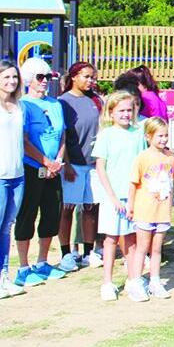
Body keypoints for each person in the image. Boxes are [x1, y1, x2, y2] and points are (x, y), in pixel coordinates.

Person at [14, 57, 69, 287]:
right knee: (27, 214)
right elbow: (24, 140)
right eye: (40, 77)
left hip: (54, 169)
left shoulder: (56, 104)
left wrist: (58, 161)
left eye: (48, 76)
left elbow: (63, 134)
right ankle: (23, 267)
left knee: (51, 213)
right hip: (31, 168)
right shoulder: (23, 105)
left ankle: (43, 262)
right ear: (29, 79)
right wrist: (45, 162)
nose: (45, 81)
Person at [91, 91, 147, 301]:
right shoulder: (106, 134)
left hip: (134, 196)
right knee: (111, 239)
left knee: (132, 239)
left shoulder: (139, 133)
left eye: (129, 110)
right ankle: (107, 282)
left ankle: (133, 279)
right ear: (111, 112)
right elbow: (101, 167)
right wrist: (113, 197)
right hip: (113, 196)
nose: (126, 114)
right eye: (121, 110)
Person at [125, 117, 174, 301]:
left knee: (157, 249)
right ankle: (136, 282)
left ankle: (155, 282)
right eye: (159, 136)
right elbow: (133, 183)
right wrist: (130, 206)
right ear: (148, 136)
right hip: (144, 210)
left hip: (163, 210)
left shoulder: (170, 157)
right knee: (142, 248)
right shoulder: (142, 158)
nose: (163, 139)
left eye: (165, 135)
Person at [57, 62, 102, 271]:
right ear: (74, 77)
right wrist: (66, 163)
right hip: (73, 164)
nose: (90, 81)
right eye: (86, 76)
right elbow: (62, 136)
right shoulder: (63, 102)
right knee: (68, 208)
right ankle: (66, 253)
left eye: (92, 77)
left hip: (93, 164)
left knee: (90, 208)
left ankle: (88, 252)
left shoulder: (95, 100)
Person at [0, 61, 26, 298]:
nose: (11, 81)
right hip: (0, 177)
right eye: (6, 77)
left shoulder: (19, 105)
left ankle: (4, 276)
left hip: (17, 176)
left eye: (14, 77)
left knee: (7, 227)